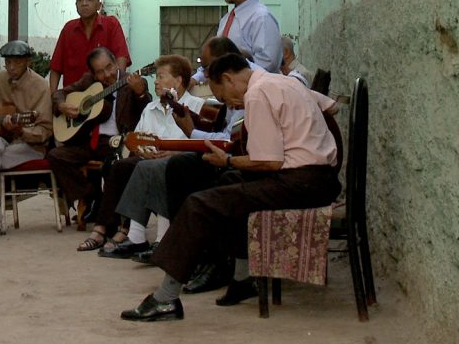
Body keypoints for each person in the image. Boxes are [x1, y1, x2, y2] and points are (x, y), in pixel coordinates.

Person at [120, 53, 341, 322]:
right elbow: (332, 108)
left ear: (228, 78)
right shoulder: (287, 82)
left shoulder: (258, 94)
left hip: (299, 182)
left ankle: (165, 299)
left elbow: (269, 162)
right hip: (322, 178)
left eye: (223, 96)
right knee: (227, 184)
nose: (229, 103)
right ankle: (242, 277)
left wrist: (227, 159)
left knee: (199, 204)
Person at [113, 37, 246, 270]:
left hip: (203, 156)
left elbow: (214, 136)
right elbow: (142, 138)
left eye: (161, 76)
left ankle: (161, 241)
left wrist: (176, 147)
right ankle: (136, 236)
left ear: (178, 80)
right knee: (142, 166)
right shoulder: (154, 108)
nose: (202, 73)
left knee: (169, 168)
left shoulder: (201, 105)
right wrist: (149, 152)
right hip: (193, 154)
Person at [90, 55, 204, 258]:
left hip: (183, 162)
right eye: (156, 77)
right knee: (122, 166)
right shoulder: (150, 109)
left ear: (178, 81)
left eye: (161, 76)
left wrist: (175, 152)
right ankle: (122, 231)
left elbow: (201, 142)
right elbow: (137, 140)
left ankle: (155, 239)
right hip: (151, 161)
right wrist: (141, 151)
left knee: (155, 167)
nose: (156, 82)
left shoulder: (196, 106)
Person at [47, 47, 150, 246]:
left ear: (115, 62)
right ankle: (92, 196)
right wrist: (62, 106)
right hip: (91, 142)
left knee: (115, 165)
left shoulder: (133, 81)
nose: (107, 74)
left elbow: (148, 112)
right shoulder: (89, 82)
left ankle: (108, 222)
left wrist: (140, 94)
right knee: (56, 155)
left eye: (109, 67)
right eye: (100, 71)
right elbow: (59, 93)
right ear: (93, 73)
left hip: (119, 142)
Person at [0, 40, 52, 238]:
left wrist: (21, 131)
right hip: (3, 141)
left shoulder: (41, 87)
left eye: (17, 62)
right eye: (8, 62)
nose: (11, 67)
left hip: (31, 145)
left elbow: (45, 130)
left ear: (27, 61)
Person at [49, 0, 131, 91]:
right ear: (76, 6)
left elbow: (121, 57)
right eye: (80, 0)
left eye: (89, 0)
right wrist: (53, 97)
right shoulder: (68, 29)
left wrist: (117, 88)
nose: (84, 3)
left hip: (105, 95)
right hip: (73, 97)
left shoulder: (111, 24)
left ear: (98, 5)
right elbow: (56, 67)